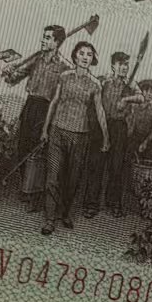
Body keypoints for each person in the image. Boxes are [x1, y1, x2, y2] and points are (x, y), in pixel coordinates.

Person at [38, 41, 109, 235]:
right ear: (75, 56)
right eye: (82, 53)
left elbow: (100, 111)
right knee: (52, 176)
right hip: (57, 131)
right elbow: (54, 102)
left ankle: (65, 213)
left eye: (89, 54)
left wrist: (106, 137)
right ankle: (49, 219)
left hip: (80, 136)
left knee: (73, 178)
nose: (85, 57)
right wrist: (45, 129)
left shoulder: (95, 84)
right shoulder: (64, 76)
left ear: (92, 59)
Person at [3, 24, 67, 211]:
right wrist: (8, 72)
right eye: (44, 37)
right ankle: (26, 188)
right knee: (23, 147)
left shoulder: (64, 66)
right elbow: (13, 79)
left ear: (57, 42)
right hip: (30, 105)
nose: (43, 40)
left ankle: (36, 196)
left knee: (38, 151)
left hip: (47, 109)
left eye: (48, 38)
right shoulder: (36, 60)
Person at [95, 51, 144, 217]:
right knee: (97, 164)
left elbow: (141, 98)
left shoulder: (130, 84)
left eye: (126, 65)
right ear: (113, 66)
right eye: (121, 64)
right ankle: (91, 203)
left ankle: (114, 203)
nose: (124, 68)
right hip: (102, 124)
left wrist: (125, 100)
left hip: (119, 127)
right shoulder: (104, 81)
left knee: (116, 166)